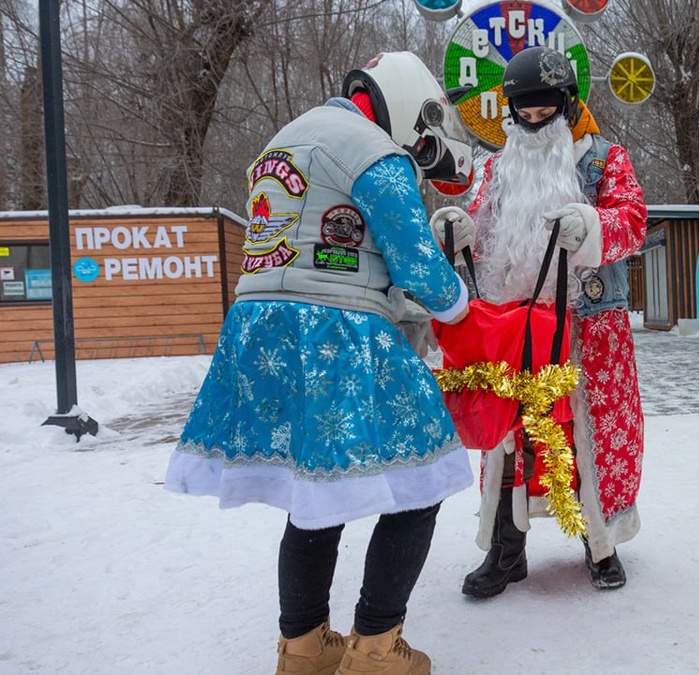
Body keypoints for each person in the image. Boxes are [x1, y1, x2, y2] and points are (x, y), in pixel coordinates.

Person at [165, 51, 476, 675]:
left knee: (313, 489)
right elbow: (418, 268)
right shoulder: (376, 153)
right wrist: (461, 301)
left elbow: (315, 243)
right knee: (425, 476)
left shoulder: (283, 141)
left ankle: (303, 647)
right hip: (337, 330)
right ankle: (377, 648)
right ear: (411, 105)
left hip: (258, 329)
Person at [432, 46, 648, 597]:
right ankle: (507, 550)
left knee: (588, 436)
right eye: (523, 112)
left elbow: (632, 220)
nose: (533, 121)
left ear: (567, 104)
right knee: (511, 433)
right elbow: (480, 227)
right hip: (514, 326)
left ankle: (600, 544)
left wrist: (591, 226)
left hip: (588, 327)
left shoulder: (605, 158)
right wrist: (460, 230)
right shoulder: (495, 167)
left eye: (544, 110)